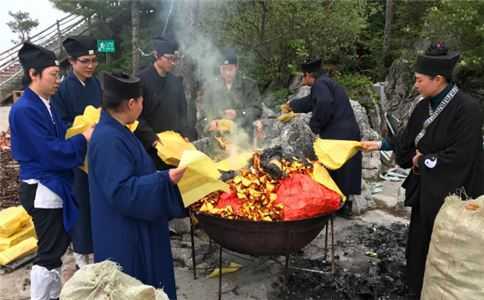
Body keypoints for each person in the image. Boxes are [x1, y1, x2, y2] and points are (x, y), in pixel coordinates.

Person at [361, 42, 483, 298]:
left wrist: (422, 161)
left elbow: (462, 156)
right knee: (419, 246)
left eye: (419, 80)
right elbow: (406, 141)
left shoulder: (468, 109)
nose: (415, 85)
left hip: (455, 195)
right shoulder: (423, 106)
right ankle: (417, 289)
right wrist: (378, 144)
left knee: (447, 248)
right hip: (426, 192)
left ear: (438, 79)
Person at [88, 72, 186, 300]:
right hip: (125, 235)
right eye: (142, 101)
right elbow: (122, 192)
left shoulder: (117, 130)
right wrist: (165, 179)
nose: (143, 105)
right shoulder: (108, 139)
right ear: (131, 104)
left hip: (133, 226)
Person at [9, 42, 93, 300]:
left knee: (56, 248)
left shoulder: (47, 103)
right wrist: (83, 139)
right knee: (49, 251)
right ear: (34, 74)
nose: (58, 80)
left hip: (54, 183)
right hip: (42, 186)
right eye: (53, 75)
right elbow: (49, 151)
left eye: (58, 75)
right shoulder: (24, 110)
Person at [288, 57, 362, 217]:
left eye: (303, 76)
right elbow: (310, 102)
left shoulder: (320, 85)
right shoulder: (327, 83)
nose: (303, 80)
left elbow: (323, 103)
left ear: (309, 75)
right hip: (348, 132)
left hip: (338, 134)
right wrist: (291, 106)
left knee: (335, 169)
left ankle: (335, 206)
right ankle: (345, 206)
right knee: (345, 170)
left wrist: (315, 124)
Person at [51, 36, 101, 268]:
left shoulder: (97, 84)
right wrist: (82, 130)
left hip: (98, 151)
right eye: (85, 61)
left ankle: (99, 246)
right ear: (71, 62)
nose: (90, 65)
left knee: (98, 200)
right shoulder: (61, 90)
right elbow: (60, 124)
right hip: (76, 155)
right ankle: (81, 252)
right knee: (80, 201)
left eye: (93, 60)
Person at [135, 36, 196, 169]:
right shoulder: (141, 80)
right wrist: (152, 138)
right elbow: (135, 116)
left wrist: (185, 134)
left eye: (175, 59)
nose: (173, 63)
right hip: (150, 146)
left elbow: (182, 112)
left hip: (174, 147)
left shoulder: (175, 81)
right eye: (169, 58)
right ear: (157, 55)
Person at [197, 47, 262, 138]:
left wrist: (238, 113)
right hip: (218, 138)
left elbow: (257, 110)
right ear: (220, 69)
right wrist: (209, 123)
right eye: (224, 69)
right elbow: (202, 115)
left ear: (236, 67)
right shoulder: (210, 87)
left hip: (244, 136)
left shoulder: (248, 85)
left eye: (230, 69)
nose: (227, 73)